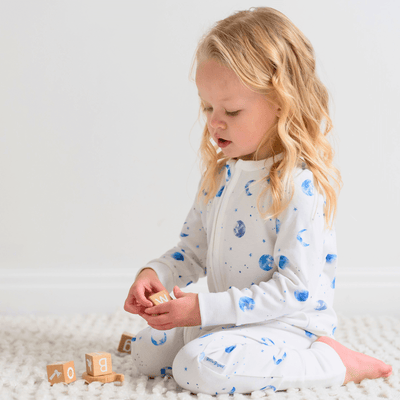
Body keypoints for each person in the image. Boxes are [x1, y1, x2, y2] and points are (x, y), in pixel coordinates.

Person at [124, 6, 392, 396]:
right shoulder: (222, 175)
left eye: (231, 110)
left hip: (287, 326)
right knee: (146, 352)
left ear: (281, 102)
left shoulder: (297, 186)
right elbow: (193, 250)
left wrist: (202, 309)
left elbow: (294, 290)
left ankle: (331, 361)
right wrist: (156, 274)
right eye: (207, 107)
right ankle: (219, 341)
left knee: (197, 367)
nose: (214, 122)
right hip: (233, 320)